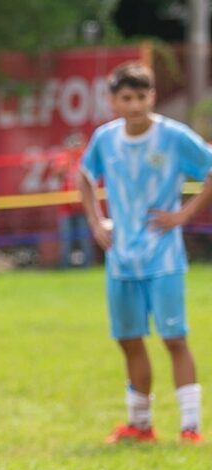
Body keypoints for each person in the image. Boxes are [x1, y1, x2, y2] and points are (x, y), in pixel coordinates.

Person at [78, 62, 212, 444]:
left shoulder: (172, 136)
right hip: (122, 259)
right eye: (126, 98)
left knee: (174, 338)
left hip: (163, 257)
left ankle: (190, 427)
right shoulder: (105, 139)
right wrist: (96, 221)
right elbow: (84, 176)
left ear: (152, 96)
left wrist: (184, 214)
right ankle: (140, 426)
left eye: (141, 96)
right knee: (130, 339)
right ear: (113, 101)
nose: (135, 105)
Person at [55, 133, 94, 268]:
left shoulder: (85, 158)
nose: (75, 147)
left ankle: (87, 265)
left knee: (84, 237)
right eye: (72, 144)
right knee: (66, 238)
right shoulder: (63, 157)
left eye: (77, 144)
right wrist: (67, 160)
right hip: (66, 206)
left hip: (83, 204)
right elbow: (57, 174)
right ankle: (65, 266)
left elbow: (92, 176)